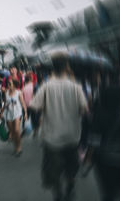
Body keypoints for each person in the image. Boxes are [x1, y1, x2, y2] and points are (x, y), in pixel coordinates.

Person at [30, 53, 88, 201]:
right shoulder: (76, 86)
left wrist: (47, 107)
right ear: (67, 66)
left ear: (52, 67)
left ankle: (58, 194)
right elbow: (85, 110)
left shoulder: (46, 86)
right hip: (72, 137)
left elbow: (34, 107)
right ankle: (70, 187)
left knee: (53, 171)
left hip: (52, 139)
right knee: (71, 167)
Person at [0, 79, 27, 156]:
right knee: (12, 132)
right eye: (8, 84)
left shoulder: (19, 93)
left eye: (10, 84)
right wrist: (1, 112)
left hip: (17, 113)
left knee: (17, 130)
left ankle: (19, 147)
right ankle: (16, 146)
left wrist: (25, 113)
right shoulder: (6, 93)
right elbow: (5, 103)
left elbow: (23, 103)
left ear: (14, 85)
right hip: (8, 113)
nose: (8, 85)